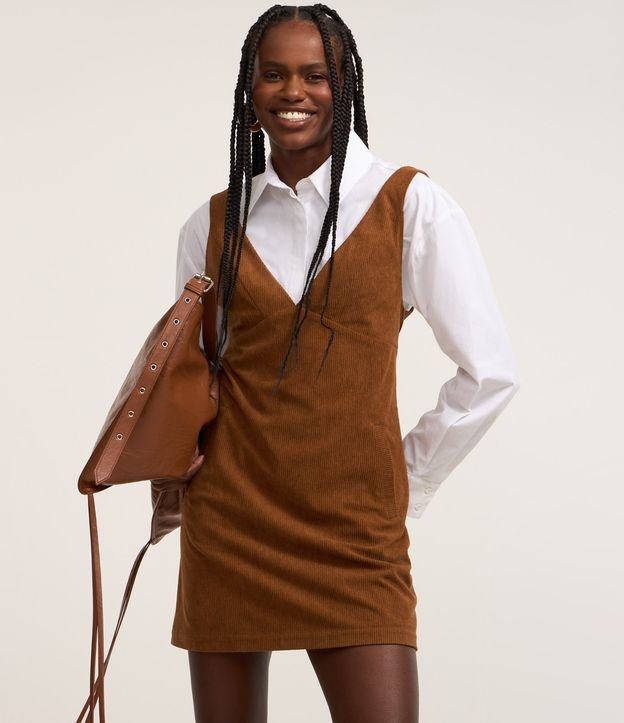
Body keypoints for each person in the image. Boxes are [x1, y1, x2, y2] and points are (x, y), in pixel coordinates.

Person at [172, 4, 520, 722]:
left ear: (346, 85)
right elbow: (194, 376)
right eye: (273, 74)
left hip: (355, 537)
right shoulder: (212, 223)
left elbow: (489, 371)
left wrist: (403, 483)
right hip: (230, 527)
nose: (293, 92)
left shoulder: (410, 204)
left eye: (316, 74)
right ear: (249, 89)